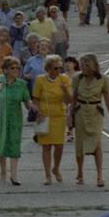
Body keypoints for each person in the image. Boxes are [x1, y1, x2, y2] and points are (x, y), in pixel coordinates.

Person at [0, 56, 37, 185]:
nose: (16, 70)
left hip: (15, 119)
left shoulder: (21, 84)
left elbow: (27, 101)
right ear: (5, 70)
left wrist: (32, 105)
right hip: (0, 119)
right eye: (13, 68)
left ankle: (14, 176)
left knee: (14, 145)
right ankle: (3, 170)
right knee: (2, 145)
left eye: (18, 68)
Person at [71, 54, 109, 187]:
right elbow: (74, 97)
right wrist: (70, 116)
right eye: (81, 65)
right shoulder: (77, 78)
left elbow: (108, 100)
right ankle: (80, 173)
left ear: (92, 66)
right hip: (81, 112)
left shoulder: (103, 79)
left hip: (95, 112)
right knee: (80, 144)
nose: (82, 68)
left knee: (97, 143)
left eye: (84, 66)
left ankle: (99, 176)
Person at [32, 55, 72, 185]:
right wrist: (38, 112)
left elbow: (69, 101)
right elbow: (35, 98)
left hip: (59, 115)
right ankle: (47, 175)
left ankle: (56, 168)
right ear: (48, 68)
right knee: (46, 146)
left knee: (59, 145)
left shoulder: (64, 79)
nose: (58, 70)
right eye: (55, 68)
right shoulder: (40, 80)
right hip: (45, 115)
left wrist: (65, 91)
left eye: (60, 68)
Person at [64, 56, 80, 142]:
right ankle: (70, 132)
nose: (67, 65)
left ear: (74, 64)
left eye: (69, 63)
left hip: (78, 97)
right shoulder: (63, 76)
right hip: (67, 98)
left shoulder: (79, 74)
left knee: (78, 115)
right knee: (68, 115)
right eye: (66, 63)